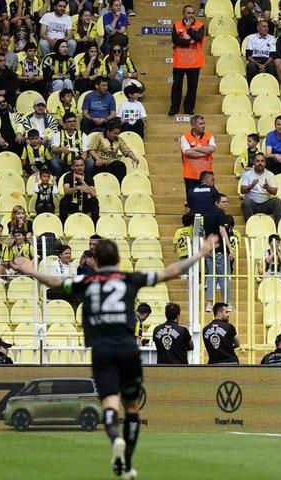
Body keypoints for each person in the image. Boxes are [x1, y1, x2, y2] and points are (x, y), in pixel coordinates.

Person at [13, 234, 217, 479]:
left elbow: (55, 283)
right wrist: (200, 254)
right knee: (131, 407)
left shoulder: (87, 280)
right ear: (119, 259)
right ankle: (127, 463)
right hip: (127, 348)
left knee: (109, 402)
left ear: (96, 261)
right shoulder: (129, 279)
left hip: (101, 349)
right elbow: (170, 271)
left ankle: (114, 441)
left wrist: (30, 270)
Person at [170, 5, 204, 116]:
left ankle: (188, 109)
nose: (191, 15)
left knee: (192, 88)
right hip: (179, 62)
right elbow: (175, 40)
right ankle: (174, 108)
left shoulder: (200, 25)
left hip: (195, 63)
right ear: (183, 14)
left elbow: (198, 38)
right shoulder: (176, 25)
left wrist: (189, 28)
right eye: (188, 13)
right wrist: (189, 42)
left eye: (192, 13)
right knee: (176, 87)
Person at [203, 194, 233, 309]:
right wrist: (230, 248)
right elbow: (222, 231)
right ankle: (228, 303)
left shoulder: (207, 214)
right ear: (217, 203)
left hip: (210, 249)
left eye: (226, 202)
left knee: (211, 276)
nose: (226, 204)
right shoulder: (220, 213)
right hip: (220, 249)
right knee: (223, 276)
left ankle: (209, 304)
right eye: (223, 202)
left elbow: (206, 233)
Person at [87, 119, 139, 183]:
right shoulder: (99, 136)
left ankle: (119, 186)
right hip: (100, 161)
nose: (116, 135)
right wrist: (97, 159)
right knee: (97, 165)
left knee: (120, 166)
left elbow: (127, 151)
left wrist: (134, 158)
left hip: (112, 163)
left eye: (118, 133)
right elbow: (91, 149)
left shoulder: (119, 140)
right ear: (108, 131)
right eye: (114, 133)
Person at [240, 153, 281, 225]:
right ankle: (250, 225)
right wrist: (251, 185)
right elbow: (242, 190)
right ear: (254, 162)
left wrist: (267, 187)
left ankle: (278, 227)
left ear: (265, 163)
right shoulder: (247, 174)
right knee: (246, 202)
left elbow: (275, 192)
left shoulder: (270, 174)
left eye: (262, 161)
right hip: (252, 205)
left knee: (277, 201)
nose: (260, 163)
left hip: (266, 204)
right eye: (257, 161)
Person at [180, 114, 215, 192]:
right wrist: (205, 152)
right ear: (193, 125)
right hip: (190, 174)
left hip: (207, 174)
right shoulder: (185, 137)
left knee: (208, 199)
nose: (203, 126)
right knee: (192, 200)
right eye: (200, 124)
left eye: (204, 123)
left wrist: (196, 148)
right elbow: (188, 153)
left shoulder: (209, 136)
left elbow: (212, 149)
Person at [59, 156, 99, 222]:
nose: (80, 168)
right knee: (64, 200)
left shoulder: (89, 177)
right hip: (72, 204)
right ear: (72, 167)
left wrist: (83, 182)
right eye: (77, 166)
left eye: (81, 165)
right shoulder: (68, 176)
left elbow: (93, 194)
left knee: (94, 200)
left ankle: (95, 225)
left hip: (85, 204)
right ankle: (63, 225)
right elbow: (66, 191)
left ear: (84, 166)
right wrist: (77, 188)